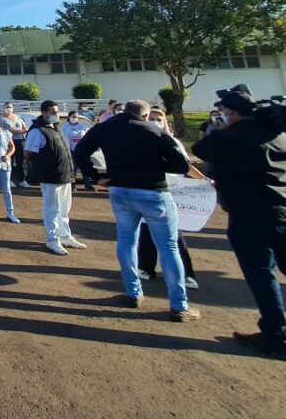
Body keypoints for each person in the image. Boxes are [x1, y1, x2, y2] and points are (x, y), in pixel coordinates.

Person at [74, 99, 198, 321]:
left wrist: (94, 176)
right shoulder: (154, 130)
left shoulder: (104, 128)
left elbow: (80, 151)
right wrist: (155, 165)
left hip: (120, 189)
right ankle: (179, 305)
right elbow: (181, 165)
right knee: (169, 247)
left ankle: (133, 293)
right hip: (153, 191)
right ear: (146, 114)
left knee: (127, 241)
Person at [193, 84, 286, 359]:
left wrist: (222, 127)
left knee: (262, 275)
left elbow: (201, 149)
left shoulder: (228, 137)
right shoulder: (278, 135)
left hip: (249, 215)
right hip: (282, 208)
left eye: (223, 111)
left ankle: (276, 334)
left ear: (231, 113)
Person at [137, 107, 200, 290]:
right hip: (148, 193)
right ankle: (146, 268)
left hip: (169, 194)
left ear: (165, 122)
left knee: (174, 237)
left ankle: (186, 273)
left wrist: (204, 180)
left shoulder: (172, 141)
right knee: (147, 233)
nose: (155, 121)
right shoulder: (140, 141)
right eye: (151, 118)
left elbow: (187, 166)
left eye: (159, 118)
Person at [25, 100, 85, 256]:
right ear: (44, 113)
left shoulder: (56, 128)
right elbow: (29, 154)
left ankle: (65, 236)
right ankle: (52, 239)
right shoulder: (37, 131)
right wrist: (44, 165)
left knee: (64, 208)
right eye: (52, 112)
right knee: (52, 209)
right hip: (50, 176)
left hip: (65, 175)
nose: (56, 115)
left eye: (57, 112)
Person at [0, 102, 31, 189]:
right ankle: (10, 180)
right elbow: (9, 130)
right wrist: (19, 131)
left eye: (10, 107)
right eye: (7, 107)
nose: (9, 108)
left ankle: (22, 180)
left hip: (20, 141)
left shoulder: (18, 117)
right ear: (4, 108)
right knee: (9, 161)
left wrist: (19, 131)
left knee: (20, 162)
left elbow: (25, 128)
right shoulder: (1, 118)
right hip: (9, 142)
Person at [62, 110, 95, 191]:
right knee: (73, 170)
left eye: (76, 117)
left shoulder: (82, 126)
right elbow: (64, 139)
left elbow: (87, 137)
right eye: (73, 117)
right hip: (71, 151)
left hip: (82, 151)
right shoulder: (64, 126)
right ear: (68, 117)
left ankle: (88, 185)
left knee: (85, 169)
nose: (75, 118)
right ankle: (72, 186)